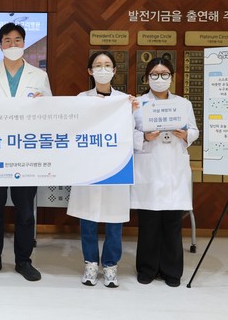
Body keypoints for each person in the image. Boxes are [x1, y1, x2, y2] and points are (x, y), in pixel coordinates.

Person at [0, 22, 52, 282]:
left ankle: (23, 261)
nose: (13, 44)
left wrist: (42, 105)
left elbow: (50, 111)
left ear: (24, 43)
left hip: (26, 153)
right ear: (0, 45)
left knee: (26, 212)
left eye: (17, 40)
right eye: (7, 40)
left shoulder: (38, 76)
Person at [66, 51, 137, 288]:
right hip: (89, 168)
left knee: (114, 221)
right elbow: (74, 130)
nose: (103, 69)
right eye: (98, 65)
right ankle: (90, 264)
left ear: (115, 70)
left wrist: (133, 111)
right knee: (88, 220)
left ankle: (110, 266)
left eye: (107, 65)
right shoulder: (81, 98)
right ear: (90, 71)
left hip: (116, 168)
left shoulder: (125, 101)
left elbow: (131, 136)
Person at [131, 57, 199, 288]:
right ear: (147, 77)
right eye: (154, 74)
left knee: (172, 223)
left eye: (164, 74)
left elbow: (194, 130)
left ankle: (172, 270)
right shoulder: (138, 103)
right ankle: (147, 268)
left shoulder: (183, 103)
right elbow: (128, 132)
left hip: (174, 168)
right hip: (149, 167)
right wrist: (144, 136)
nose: (159, 79)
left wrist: (186, 134)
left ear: (172, 77)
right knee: (149, 223)